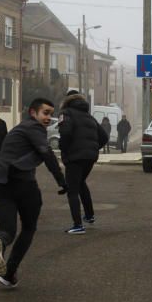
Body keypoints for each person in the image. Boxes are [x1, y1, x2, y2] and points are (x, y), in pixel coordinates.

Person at [0, 97, 68, 288]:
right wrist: (61, 180)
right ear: (33, 113)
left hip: (1, 183)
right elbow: (46, 152)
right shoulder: (34, 128)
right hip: (23, 184)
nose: (49, 117)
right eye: (45, 113)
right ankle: (9, 272)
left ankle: (0, 241)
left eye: (51, 114)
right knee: (29, 228)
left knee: (7, 231)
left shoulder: (18, 130)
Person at [58, 92, 108, 235]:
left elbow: (65, 133)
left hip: (74, 157)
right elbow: (104, 137)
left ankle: (77, 225)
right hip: (90, 157)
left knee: (72, 190)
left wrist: (65, 150)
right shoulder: (89, 116)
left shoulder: (66, 113)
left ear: (66, 100)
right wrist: (91, 148)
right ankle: (89, 215)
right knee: (80, 183)